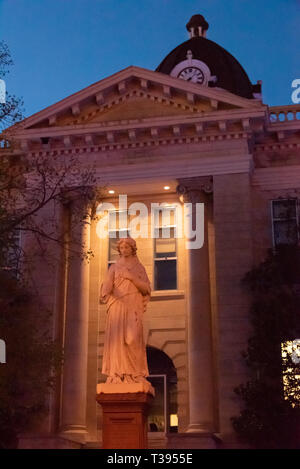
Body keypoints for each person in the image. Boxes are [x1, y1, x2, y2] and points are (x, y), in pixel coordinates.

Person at [100, 237, 151, 384]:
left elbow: (146, 288)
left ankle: (136, 373)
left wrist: (132, 278)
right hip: (117, 305)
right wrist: (106, 289)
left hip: (133, 304)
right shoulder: (114, 268)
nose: (124, 250)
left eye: (127, 247)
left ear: (132, 249)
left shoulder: (139, 268)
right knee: (117, 340)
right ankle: (116, 373)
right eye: (121, 248)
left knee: (133, 338)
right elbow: (107, 287)